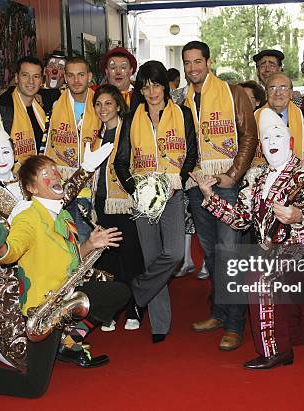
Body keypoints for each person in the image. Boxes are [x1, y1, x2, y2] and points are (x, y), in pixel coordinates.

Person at [0, 154, 130, 406]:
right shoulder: (28, 217)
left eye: (55, 171)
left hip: (64, 297)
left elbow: (70, 261)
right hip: (43, 310)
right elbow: (12, 250)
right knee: (33, 387)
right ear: (32, 188)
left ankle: (67, 343)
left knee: (118, 293)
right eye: (45, 174)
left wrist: (90, 243)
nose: (55, 175)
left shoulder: (61, 216)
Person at [191, 108, 304, 369]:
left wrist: (297, 214)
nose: (272, 143)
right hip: (271, 256)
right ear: (261, 147)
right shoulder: (256, 179)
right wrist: (210, 197)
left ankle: (276, 351)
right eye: (267, 139)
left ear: (291, 141)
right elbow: (241, 220)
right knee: (288, 326)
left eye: (277, 136)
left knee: (259, 277)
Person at [182, 41, 257, 351]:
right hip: (197, 187)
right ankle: (219, 312)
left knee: (230, 254)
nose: (192, 68)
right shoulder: (183, 99)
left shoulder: (233, 92)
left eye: (197, 61)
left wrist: (233, 175)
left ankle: (236, 324)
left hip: (226, 184)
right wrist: (193, 174)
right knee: (211, 255)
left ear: (208, 62)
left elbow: (249, 136)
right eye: (187, 63)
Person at [114, 61, 198, 342]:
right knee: (152, 258)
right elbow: (121, 162)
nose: (151, 91)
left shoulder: (183, 114)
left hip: (172, 193)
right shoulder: (131, 118)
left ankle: (137, 290)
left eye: (157, 84)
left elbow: (192, 153)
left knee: (173, 254)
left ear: (165, 86)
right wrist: (136, 191)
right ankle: (159, 324)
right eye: (146, 85)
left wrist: (177, 181)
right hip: (143, 198)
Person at [91, 84, 146, 331]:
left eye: (108, 103)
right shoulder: (94, 135)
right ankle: (111, 308)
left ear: (118, 106)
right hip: (101, 202)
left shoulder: (130, 131)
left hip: (126, 203)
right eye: (98, 104)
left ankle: (134, 306)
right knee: (108, 259)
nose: (103, 109)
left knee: (131, 257)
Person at [45, 56, 102, 242]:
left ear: (89, 76)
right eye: (71, 75)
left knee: (86, 241)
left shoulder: (100, 104)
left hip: (89, 185)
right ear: (65, 77)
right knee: (61, 241)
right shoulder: (51, 104)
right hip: (59, 185)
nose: (76, 80)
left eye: (81, 75)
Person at [251, 73, 304, 167]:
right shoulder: (252, 118)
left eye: (283, 88)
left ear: (291, 93)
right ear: (266, 94)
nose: (278, 93)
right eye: (272, 88)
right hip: (261, 176)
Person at [0, 56, 47, 162]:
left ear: (41, 81)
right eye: (25, 75)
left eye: (36, 76)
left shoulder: (42, 108)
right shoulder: (4, 109)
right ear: (16, 78)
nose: (31, 81)